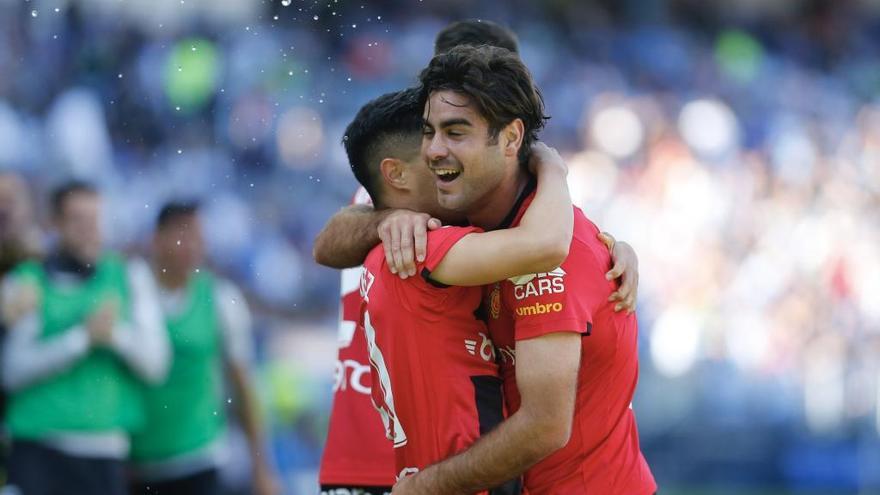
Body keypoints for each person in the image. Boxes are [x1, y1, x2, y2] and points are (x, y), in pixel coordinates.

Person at [389, 45, 657, 494]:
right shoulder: (478, 223)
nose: (434, 150)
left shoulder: (553, 256)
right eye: (429, 131)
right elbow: (341, 232)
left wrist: (424, 488)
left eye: (456, 132)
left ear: (512, 139)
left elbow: (544, 427)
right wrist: (390, 220)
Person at [316, 20, 533, 495]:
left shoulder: (438, 188)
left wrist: (610, 245)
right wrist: (384, 220)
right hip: (409, 462)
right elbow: (327, 243)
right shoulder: (418, 187)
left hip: (413, 462)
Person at [1, 180, 169, 495]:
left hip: (103, 452)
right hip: (37, 447)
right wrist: (81, 339)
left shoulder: (130, 277)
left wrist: (115, 336)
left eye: (95, 220)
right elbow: (12, 371)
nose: (89, 230)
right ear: (55, 224)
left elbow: (156, 364)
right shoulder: (27, 281)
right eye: (78, 220)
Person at [128, 201, 278, 495]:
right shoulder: (131, 293)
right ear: (156, 239)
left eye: (198, 236)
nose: (193, 245)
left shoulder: (221, 299)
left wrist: (262, 467)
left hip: (198, 458)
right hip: (136, 461)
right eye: (182, 234)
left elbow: (243, 385)